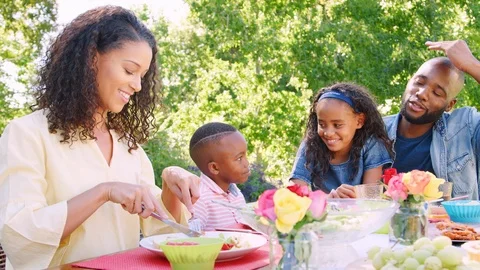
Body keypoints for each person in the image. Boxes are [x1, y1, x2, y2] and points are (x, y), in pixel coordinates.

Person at [0, 6, 200, 269]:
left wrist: (170, 183)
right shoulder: (27, 133)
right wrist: (104, 192)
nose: (138, 86)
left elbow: (165, 234)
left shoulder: (128, 146)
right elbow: (20, 233)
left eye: (142, 76)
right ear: (91, 59)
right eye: (130, 71)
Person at [384, 40, 480, 199]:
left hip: (452, 224)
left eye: (437, 93)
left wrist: (471, 64)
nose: (422, 93)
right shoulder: (375, 130)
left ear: (449, 105)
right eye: (419, 82)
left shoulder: (466, 129)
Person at [290, 83, 393, 197]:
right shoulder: (311, 144)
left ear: (359, 121)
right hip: (323, 213)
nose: (328, 133)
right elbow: (294, 192)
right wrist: (329, 199)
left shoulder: (371, 145)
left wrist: (351, 196)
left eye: (337, 125)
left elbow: (372, 195)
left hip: (360, 213)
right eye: (322, 124)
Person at [189, 122, 250, 231]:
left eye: (246, 155)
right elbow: (192, 240)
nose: (247, 163)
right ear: (214, 168)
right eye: (239, 158)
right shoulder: (200, 199)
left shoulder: (235, 192)